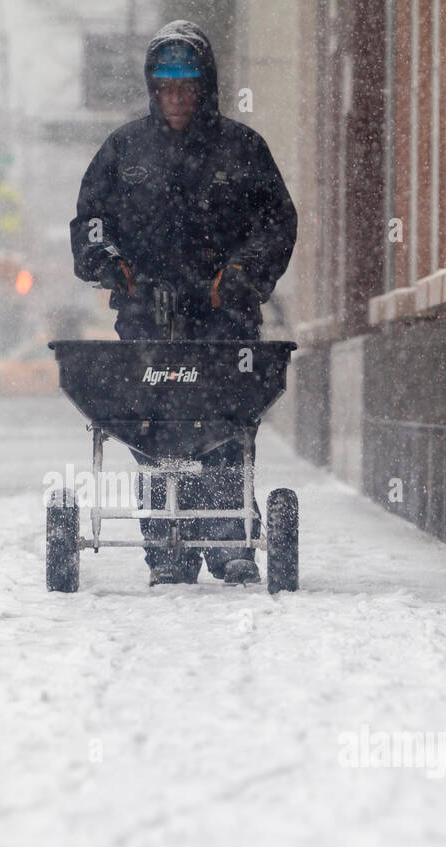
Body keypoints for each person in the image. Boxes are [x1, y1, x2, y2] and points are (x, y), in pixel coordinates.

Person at [70, 20, 297, 586]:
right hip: (148, 317)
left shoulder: (242, 150)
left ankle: (226, 538)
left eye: (186, 85)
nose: (175, 97)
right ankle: (168, 546)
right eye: (165, 86)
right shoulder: (123, 150)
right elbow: (91, 223)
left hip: (226, 318)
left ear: (205, 87)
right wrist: (109, 262)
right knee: (154, 429)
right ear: (152, 88)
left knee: (224, 422)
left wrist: (243, 271)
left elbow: (277, 222)